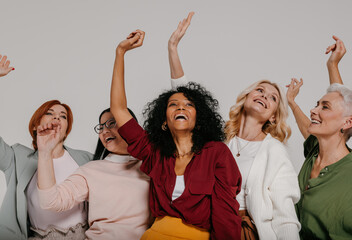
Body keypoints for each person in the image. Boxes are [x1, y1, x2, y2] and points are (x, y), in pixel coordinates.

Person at [169, 13, 300, 240]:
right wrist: (173, 47)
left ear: (273, 117)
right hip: (205, 226)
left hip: (243, 231)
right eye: (259, 90)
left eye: (273, 98)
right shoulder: (220, 140)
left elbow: (285, 215)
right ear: (247, 96)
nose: (264, 96)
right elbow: (187, 102)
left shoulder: (274, 152)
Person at [110, 29, 242, 239]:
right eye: (173, 105)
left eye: (189, 105)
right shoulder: (155, 152)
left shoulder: (216, 153)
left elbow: (226, 215)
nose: (181, 107)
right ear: (164, 120)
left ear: (199, 119)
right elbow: (118, 109)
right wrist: (120, 53)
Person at [0, 55, 92, 239]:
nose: (57, 118)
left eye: (63, 116)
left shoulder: (87, 159)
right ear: (36, 125)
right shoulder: (16, 157)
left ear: (66, 130)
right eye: (50, 113)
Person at [36, 108, 151, 240]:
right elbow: (50, 202)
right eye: (101, 127)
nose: (105, 131)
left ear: (130, 126)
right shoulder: (91, 170)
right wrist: (45, 152)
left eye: (111, 123)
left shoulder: (152, 166)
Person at [286, 36, 352, 239]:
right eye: (316, 103)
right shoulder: (315, 149)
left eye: (323, 107)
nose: (313, 110)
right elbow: (310, 128)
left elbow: (346, 109)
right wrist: (292, 102)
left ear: (348, 124)